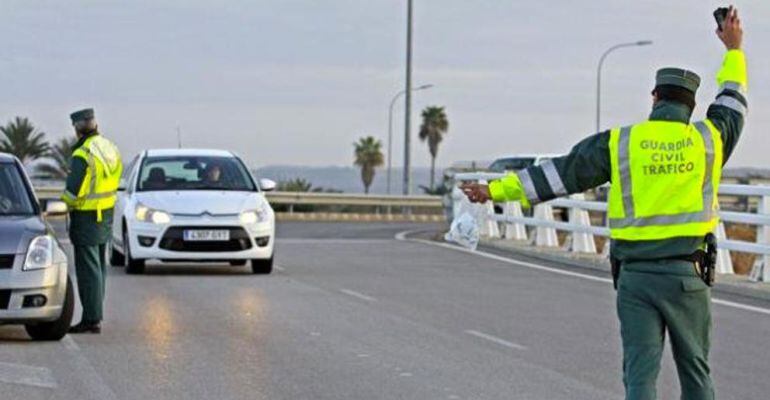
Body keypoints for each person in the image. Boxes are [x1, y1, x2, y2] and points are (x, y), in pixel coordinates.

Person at [461, 7, 745, 400]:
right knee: (696, 374)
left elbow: (560, 173)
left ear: (654, 98)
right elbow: (732, 100)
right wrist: (734, 48)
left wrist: (495, 191)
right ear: (691, 107)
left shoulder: (621, 143)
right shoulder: (708, 140)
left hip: (636, 278)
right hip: (687, 277)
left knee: (640, 376)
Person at [61, 108, 123, 334]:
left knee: (88, 271)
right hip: (105, 214)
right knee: (98, 269)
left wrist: (63, 203)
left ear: (77, 128)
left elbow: (72, 192)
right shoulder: (109, 148)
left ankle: (91, 318)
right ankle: (95, 315)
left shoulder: (82, 154)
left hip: (86, 216)